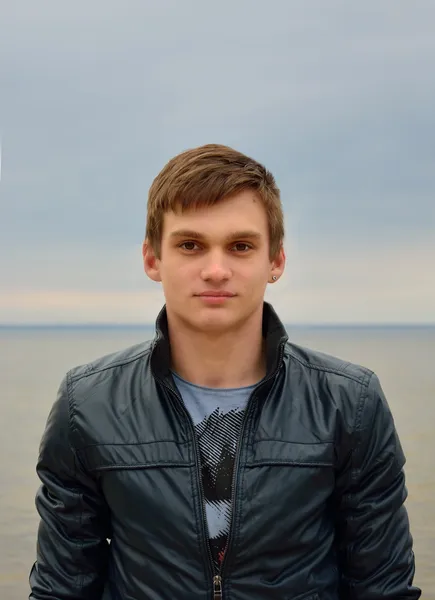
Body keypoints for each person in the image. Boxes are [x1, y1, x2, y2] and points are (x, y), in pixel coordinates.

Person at [29, 144, 421, 600]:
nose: (216, 270)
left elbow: (384, 589)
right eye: (190, 245)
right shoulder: (89, 405)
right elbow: (61, 589)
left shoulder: (349, 404)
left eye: (240, 246)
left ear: (275, 261)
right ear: (153, 259)